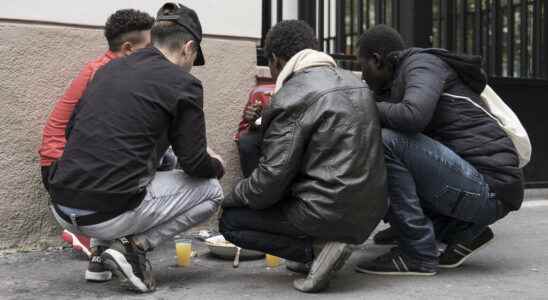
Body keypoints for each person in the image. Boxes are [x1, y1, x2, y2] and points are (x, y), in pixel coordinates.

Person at [45, 3, 224, 293]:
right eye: (193, 57)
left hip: (62, 206)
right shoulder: (184, 83)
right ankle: (133, 248)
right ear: (188, 48)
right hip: (107, 214)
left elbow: (73, 132)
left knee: (129, 170)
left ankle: (99, 261)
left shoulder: (108, 69)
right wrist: (216, 162)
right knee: (211, 189)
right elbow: (194, 163)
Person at [219, 20, 387, 293]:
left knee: (231, 220)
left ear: (275, 60)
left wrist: (231, 196)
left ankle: (316, 250)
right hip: (370, 212)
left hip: (328, 211)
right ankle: (313, 252)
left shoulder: (292, 94)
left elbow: (269, 181)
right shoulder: (354, 82)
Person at [354, 25, 524, 276]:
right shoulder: (397, 81)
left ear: (377, 60)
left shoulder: (423, 64)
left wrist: (361, 103)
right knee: (377, 142)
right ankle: (459, 231)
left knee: (388, 140)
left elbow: (413, 116)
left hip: (490, 188)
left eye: (362, 66)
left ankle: (417, 252)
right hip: (476, 185)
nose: (363, 76)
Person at [38, 8, 154, 278]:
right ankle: (109, 246)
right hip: (65, 168)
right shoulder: (107, 74)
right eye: (148, 48)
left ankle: (100, 254)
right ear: (127, 48)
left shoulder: (101, 67)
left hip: (62, 165)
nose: (154, 55)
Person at [234, 84, 274, 177]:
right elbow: (243, 133)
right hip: (270, 143)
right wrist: (253, 123)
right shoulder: (262, 92)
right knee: (246, 140)